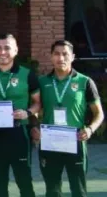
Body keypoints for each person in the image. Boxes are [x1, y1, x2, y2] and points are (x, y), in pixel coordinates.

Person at [36, 39, 103, 197]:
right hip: (49, 142)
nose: (61, 58)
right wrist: (34, 127)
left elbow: (99, 113)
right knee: (52, 190)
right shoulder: (42, 82)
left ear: (72, 56)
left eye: (65, 54)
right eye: (57, 54)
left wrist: (90, 129)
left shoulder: (85, 82)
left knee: (78, 190)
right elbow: (34, 108)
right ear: (51, 57)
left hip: (75, 141)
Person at [0, 34, 40, 197]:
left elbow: (38, 103)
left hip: (19, 133)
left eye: (7, 48)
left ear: (16, 50)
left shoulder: (27, 74)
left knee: (24, 179)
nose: (2, 52)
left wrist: (27, 112)